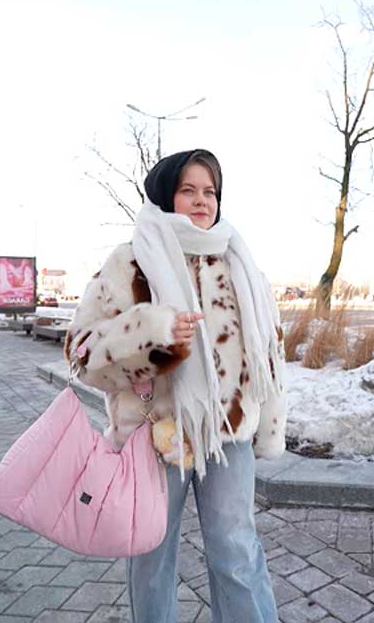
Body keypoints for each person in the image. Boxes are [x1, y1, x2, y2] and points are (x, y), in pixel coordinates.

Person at [64, 150, 285, 622]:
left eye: (210, 192)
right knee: (151, 556)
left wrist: (268, 424)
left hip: (228, 435)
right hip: (155, 435)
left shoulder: (239, 264)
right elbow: (80, 351)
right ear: (166, 196)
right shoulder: (130, 262)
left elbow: (268, 356)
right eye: (188, 190)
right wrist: (153, 335)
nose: (202, 201)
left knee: (237, 553)